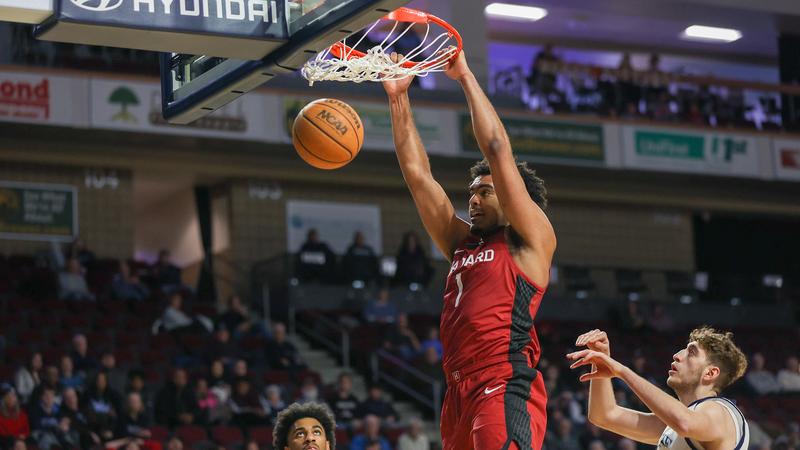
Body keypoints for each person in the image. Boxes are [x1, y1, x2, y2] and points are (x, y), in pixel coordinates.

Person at [383, 48, 556, 450]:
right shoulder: (463, 243)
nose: (473, 200)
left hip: (503, 382)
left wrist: (464, 75)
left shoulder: (530, 240)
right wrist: (398, 97)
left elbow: (497, 149)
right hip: (457, 393)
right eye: (471, 193)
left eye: (485, 192)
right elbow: (418, 176)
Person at [567, 327, 749, 450]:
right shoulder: (677, 423)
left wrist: (622, 371)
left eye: (691, 353)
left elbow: (684, 422)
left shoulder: (720, 411)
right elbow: (605, 416)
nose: (677, 356)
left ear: (710, 373)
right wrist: (600, 359)